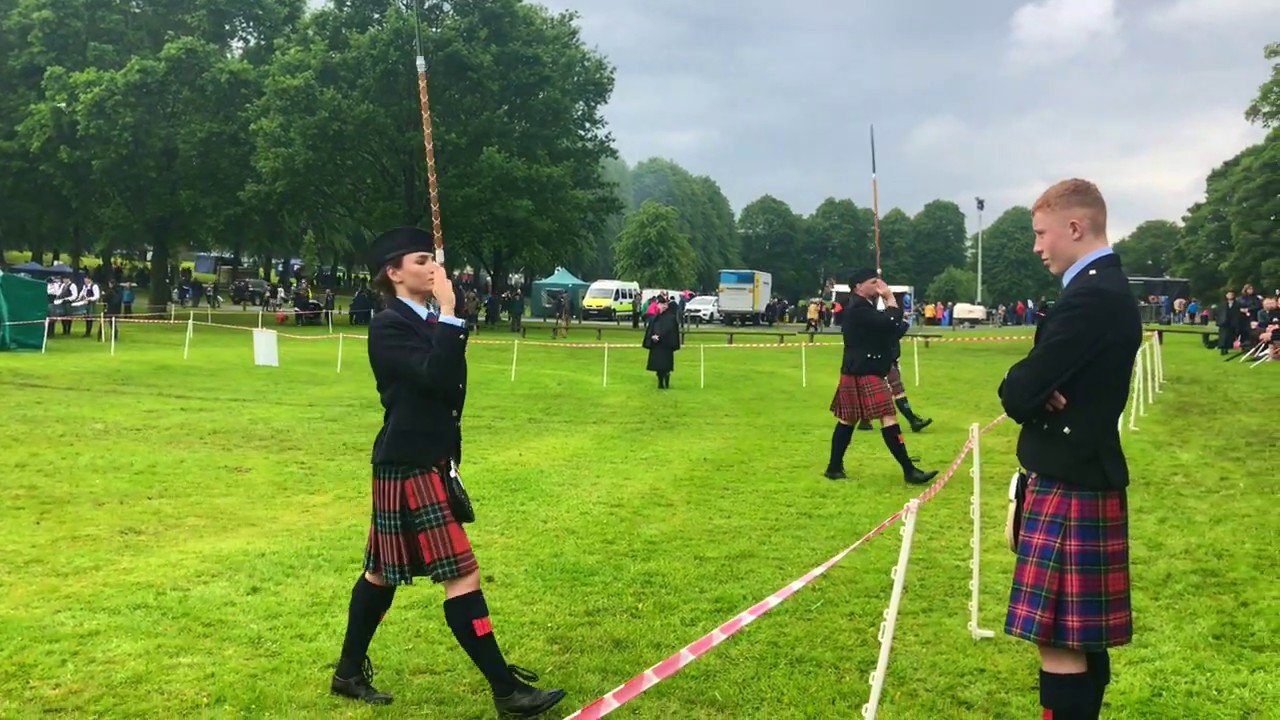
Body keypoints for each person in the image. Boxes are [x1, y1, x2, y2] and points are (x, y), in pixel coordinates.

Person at [329, 226, 565, 718]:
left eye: (432, 259)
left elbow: (448, 385)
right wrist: (453, 314)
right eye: (421, 260)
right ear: (394, 273)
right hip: (407, 462)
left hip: (427, 459)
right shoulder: (388, 325)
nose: (433, 267)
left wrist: (447, 319)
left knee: (380, 574)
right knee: (462, 573)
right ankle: (506, 692)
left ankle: (347, 674)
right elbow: (436, 376)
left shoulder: (430, 320)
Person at [999, 179, 1141, 720]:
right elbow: (1035, 386)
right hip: (1078, 473)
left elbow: (1019, 390)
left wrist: (1029, 389)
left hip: (1071, 481)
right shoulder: (1103, 288)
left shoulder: (1092, 296)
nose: (1037, 246)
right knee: (1081, 643)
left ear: (1075, 227)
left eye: (1042, 233)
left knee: (1060, 644)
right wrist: (1037, 389)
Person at [825, 268, 938, 484]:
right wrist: (890, 299)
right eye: (874, 282)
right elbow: (889, 323)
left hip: (861, 368)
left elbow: (889, 330)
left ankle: (834, 468)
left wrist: (896, 323)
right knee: (886, 417)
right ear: (858, 286)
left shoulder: (864, 306)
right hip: (864, 370)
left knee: (848, 420)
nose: (879, 286)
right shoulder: (858, 308)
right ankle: (909, 471)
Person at [643, 294, 681, 389]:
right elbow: (650, 331)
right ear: (658, 305)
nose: (663, 306)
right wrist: (652, 337)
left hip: (666, 346)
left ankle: (666, 382)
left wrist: (667, 340)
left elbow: (673, 332)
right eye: (661, 304)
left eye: (664, 304)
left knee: (666, 368)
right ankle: (660, 383)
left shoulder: (671, 318)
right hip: (657, 346)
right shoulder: (655, 318)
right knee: (658, 367)